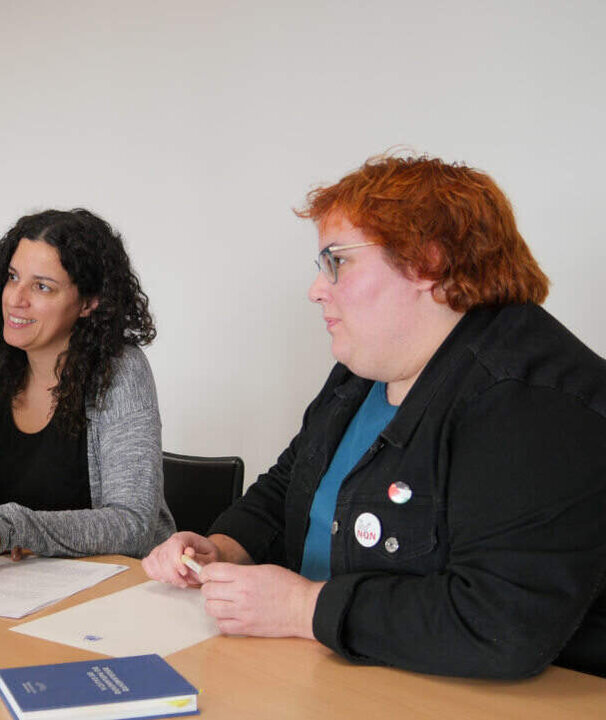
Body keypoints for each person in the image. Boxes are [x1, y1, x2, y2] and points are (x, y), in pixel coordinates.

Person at [143, 155, 606, 679]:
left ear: (425, 262)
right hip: (336, 671)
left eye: (337, 261)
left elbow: (499, 624)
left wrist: (303, 608)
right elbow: (291, 486)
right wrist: (224, 548)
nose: (317, 288)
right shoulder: (365, 368)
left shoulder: (535, 402)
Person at [0, 209, 174, 586]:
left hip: (115, 595)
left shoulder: (121, 371)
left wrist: (8, 526)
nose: (16, 299)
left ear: (88, 303)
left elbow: (131, 523)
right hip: (15, 587)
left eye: (42, 287)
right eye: (13, 278)